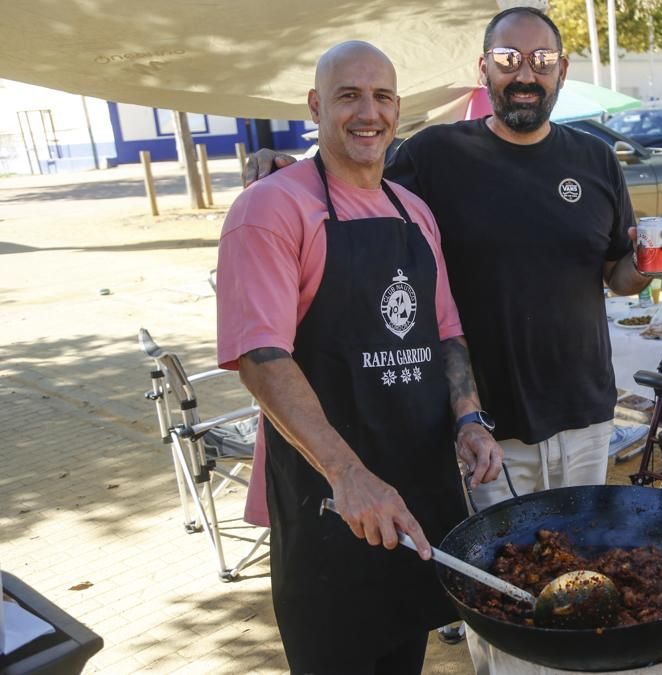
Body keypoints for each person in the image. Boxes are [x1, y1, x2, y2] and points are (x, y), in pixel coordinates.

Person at [245, 6, 662, 509]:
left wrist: (648, 264)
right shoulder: (436, 153)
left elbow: (617, 276)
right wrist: (291, 171)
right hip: (486, 430)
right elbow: (356, 180)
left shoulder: (596, 158)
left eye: (542, 60)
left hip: (586, 413)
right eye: (508, 58)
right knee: (505, 556)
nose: (525, 74)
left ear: (561, 70)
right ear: (484, 69)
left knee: (581, 549)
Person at [215, 41, 503, 674]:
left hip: (414, 491)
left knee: (403, 656)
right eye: (349, 96)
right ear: (315, 106)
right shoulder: (270, 209)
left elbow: (446, 333)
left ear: (398, 109)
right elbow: (261, 358)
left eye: (382, 97)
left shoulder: (414, 211)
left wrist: (469, 419)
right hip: (330, 502)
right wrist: (348, 475)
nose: (368, 113)